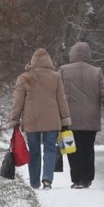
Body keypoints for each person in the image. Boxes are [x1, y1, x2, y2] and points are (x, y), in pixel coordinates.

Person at [58, 41, 104, 189]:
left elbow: (56, 93)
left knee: (71, 149)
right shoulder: (96, 71)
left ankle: (76, 179)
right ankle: (87, 178)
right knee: (88, 148)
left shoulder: (63, 70)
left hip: (68, 119)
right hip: (91, 119)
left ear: (72, 53)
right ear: (88, 55)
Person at [10, 48, 71, 190]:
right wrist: (65, 119)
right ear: (49, 61)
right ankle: (47, 179)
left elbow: (17, 101)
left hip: (32, 121)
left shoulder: (24, 77)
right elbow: (61, 100)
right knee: (50, 149)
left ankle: (34, 182)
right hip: (52, 120)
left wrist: (15, 119)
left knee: (34, 150)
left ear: (32, 62)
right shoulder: (55, 77)